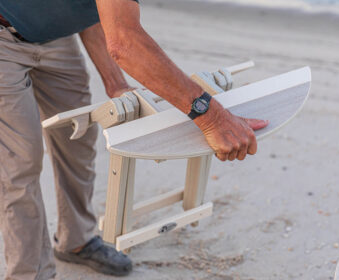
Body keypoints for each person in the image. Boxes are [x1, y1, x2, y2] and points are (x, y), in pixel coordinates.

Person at [0, 0, 268, 279]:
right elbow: (124, 43)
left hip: (55, 38)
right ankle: (29, 273)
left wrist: (115, 83)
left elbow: (93, 10)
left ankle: (75, 241)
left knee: (77, 139)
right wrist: (212, 118)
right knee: (20, 161)